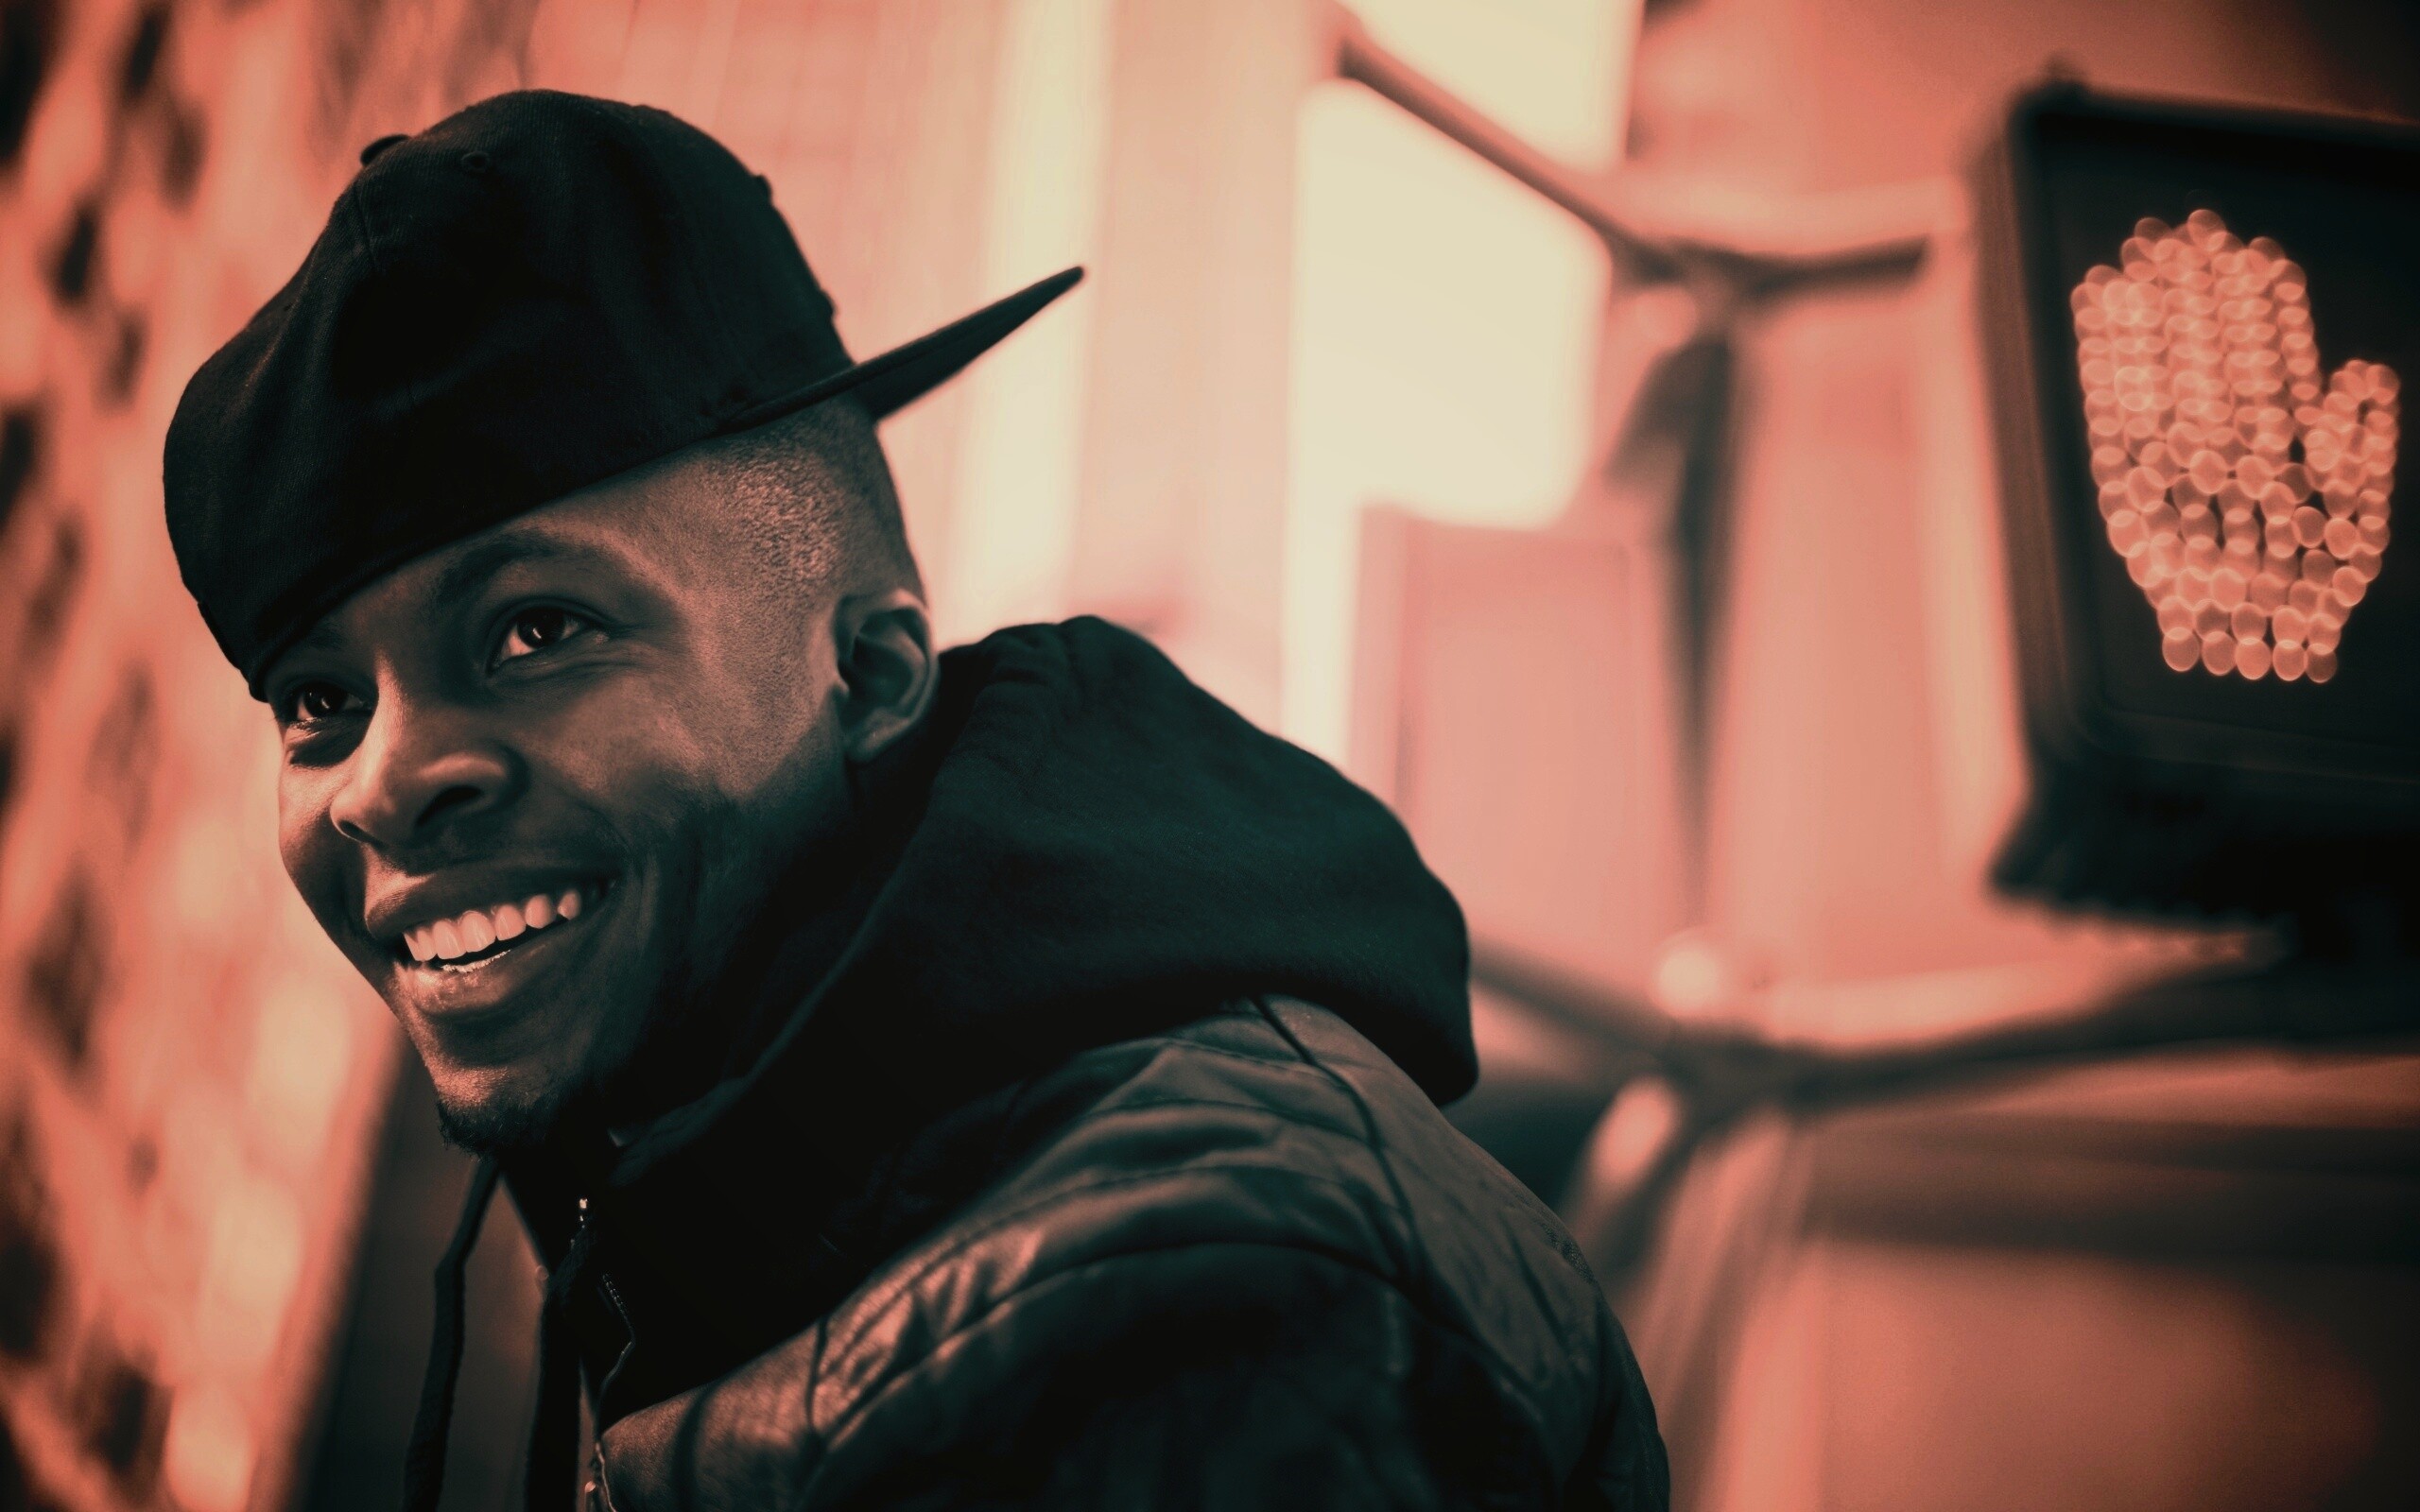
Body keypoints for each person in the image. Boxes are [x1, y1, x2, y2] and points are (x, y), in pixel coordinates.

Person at [164, 90, 1666, 1511]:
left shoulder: (1174, 1312)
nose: (382, 783)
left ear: (870, 672)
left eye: (537, 631)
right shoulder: (759, 1192)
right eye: (318, 703)